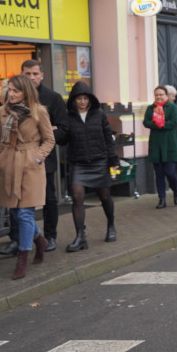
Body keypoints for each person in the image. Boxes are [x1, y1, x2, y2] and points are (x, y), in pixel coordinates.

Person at [0, 60, 67, 256]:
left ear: (42, 75)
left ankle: (49, 236)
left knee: (48, 200)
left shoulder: (52, 99)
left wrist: (37, 155)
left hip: (40, 159)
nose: (32, 77)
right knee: (15, 205)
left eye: (35, 73)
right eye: (28, 73)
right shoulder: (8, 100)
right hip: (13, 160)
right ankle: (18, 240)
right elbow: (0, 132)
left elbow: (64, 130)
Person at [0, 74, 55, 279]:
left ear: (25, 92)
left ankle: (22, 258)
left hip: (30, 165)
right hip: (10, 163)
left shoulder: (39, 111)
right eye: (9, 89)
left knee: (24, 214)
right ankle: (40, 241)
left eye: (15, 91)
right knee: (16, 213)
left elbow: (49, 140)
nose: (10, 94)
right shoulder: (3, 111)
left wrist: (36, 158)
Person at [62, 81, 118, 252]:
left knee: (105, 197)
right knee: (77, 197)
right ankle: (80, 236)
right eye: (79, 98)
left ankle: (111, 225)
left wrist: (113, 161)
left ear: (90, 99)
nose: (82, 102)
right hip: (78, 162)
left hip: (99, 161)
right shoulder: (68, 117)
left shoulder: (99, 114)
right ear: (73, 100)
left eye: (85, 98)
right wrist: (56, 132)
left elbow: (108, 137)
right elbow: (64, 140)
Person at [143, 86, 177, 209]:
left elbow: (174, 122)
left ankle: (176, 191)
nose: (159, 97)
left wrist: (161, 125)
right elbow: (146, 122)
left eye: (161, 94)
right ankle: (162, 199)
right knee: (159, 174)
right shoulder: (151, 108)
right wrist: (156, 124)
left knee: (170, 172)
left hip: (170, 144)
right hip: (156, 145)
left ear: (166, 95)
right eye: (156, 95)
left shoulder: (172, 107)